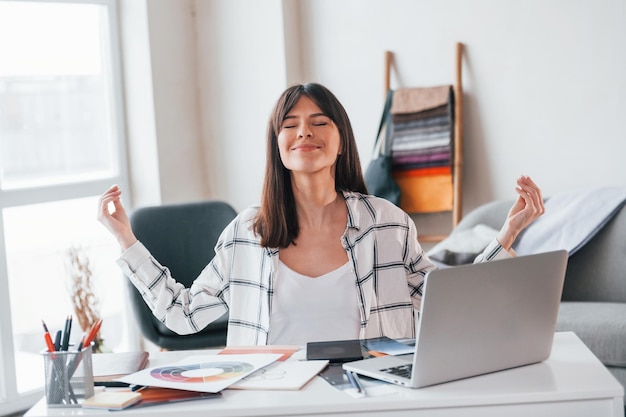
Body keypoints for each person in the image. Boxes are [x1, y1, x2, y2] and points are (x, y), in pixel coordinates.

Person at [98, 83, 544, 346]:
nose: (304, 131)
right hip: (271, 402)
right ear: (277, 145)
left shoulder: (387, 224)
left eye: (319, 122)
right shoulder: (245, 235)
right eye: (289, 124)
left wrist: (505, 237)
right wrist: (126, 241)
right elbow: (182, 315)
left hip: (371, 399)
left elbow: (450, 305)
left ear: (341, 139)